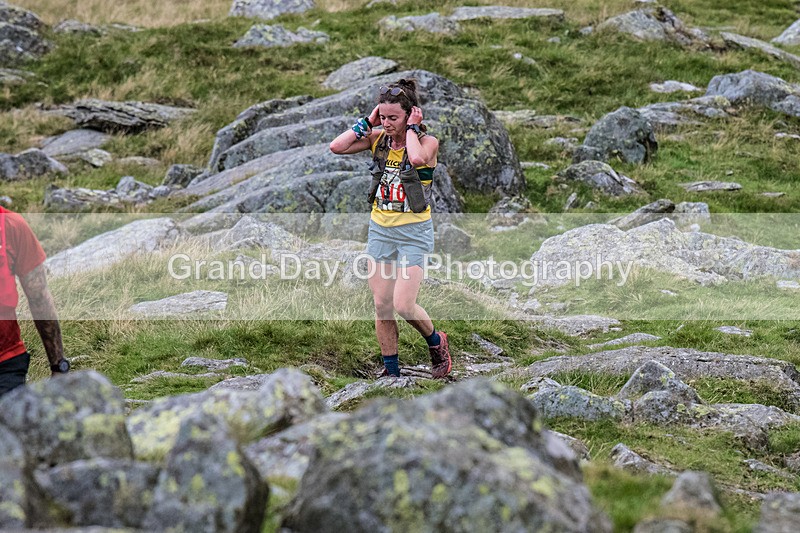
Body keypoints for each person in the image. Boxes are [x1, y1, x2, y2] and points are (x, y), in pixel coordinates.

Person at [330, 79, 451, 379]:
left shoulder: (427, 142)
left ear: (411, 115)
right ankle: (392, 371)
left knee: (403, 305)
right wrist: (368, 123)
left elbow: (419, 159)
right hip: (381, 230)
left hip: (414, 233)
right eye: (383, 117)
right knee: (382, 304)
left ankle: (436, 342)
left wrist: (409, 129)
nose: (387, 123)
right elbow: (337, 146)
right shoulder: (377, 139)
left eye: (392, 118)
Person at [0, 206, 68, 397]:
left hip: (6, 364)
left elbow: (39, 297)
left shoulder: (12, 225)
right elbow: (39, 298)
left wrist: (59, 365)